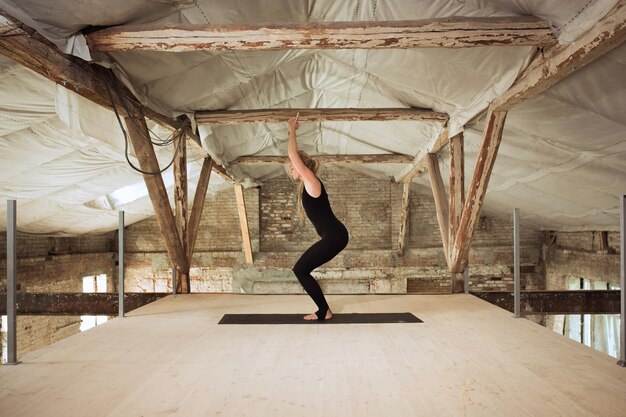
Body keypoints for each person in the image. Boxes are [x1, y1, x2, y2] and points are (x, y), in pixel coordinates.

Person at [287, 113, 349, 321]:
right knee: (301, 269)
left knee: (300, 269)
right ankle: (324, 309)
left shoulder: (313, 182)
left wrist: (292, 131)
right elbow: (293, 158)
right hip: (333, 236)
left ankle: (324, 311)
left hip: (336, 236)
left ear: (302, 167)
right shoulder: (307, 186)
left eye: (293, 165)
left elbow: (292, 153)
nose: (290, 167)